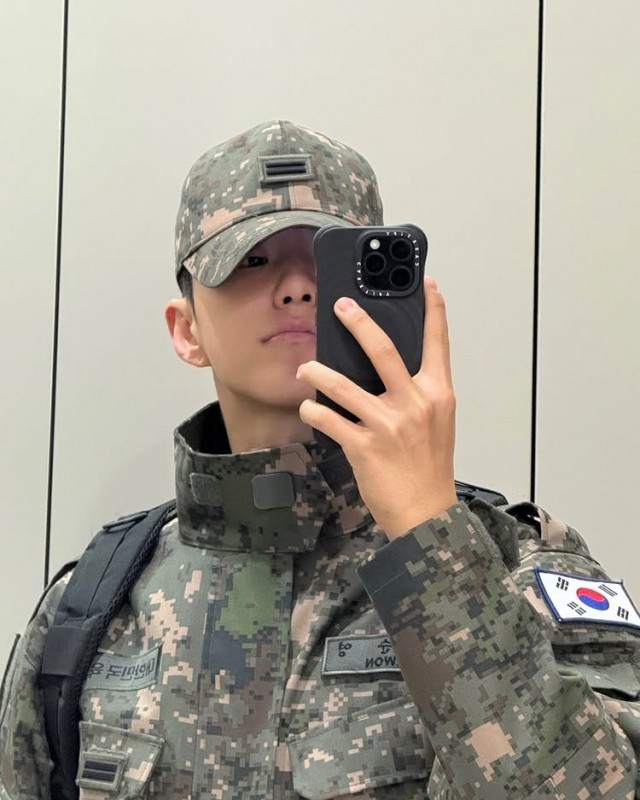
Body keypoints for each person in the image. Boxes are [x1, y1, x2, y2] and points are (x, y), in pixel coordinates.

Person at [1, 119, 639, 800]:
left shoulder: (515, 565)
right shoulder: (89, 609)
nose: (296, 288)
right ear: (187, 330)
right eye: (250, 262)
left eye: (326, 259)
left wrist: (431, 536)